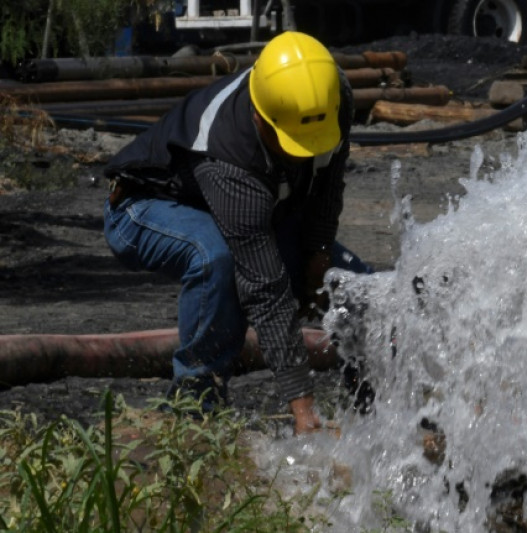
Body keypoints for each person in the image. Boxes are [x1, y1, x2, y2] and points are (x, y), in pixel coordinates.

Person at [101, 31, 372, 435]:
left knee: (356, 285)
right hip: (143, 209)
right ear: (260, 117)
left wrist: (318, 254)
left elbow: (328, 183)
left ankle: (371, 408)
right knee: (218, 259)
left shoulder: (330, 97)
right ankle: (195, 406)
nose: (303, 153)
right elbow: (265, 286)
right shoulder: (228, 156)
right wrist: (302, 408)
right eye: (291, 143)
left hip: (247, 208)